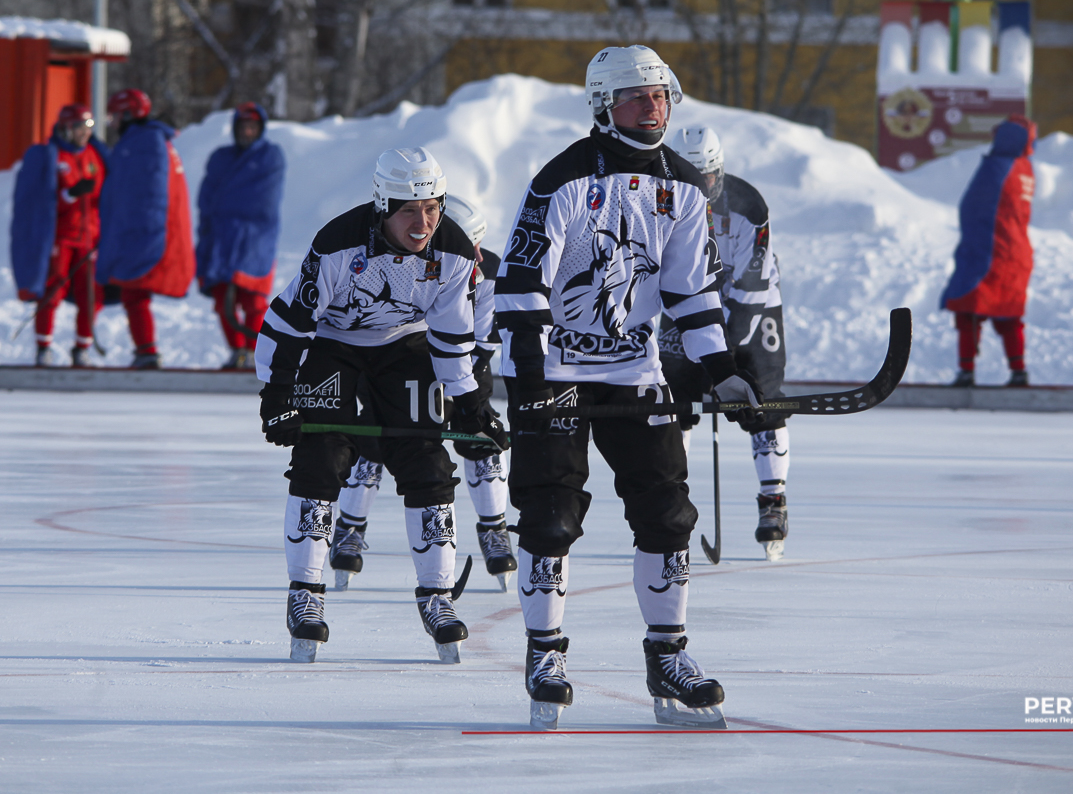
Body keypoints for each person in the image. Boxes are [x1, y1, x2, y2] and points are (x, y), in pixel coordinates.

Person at [494, 44, 763, 730]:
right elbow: (521, 283)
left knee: (667, 512)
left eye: (660, 94)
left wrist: (721, 370)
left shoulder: (684, 188)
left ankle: (667, 654)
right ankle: (545, 654)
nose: (653, 107)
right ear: (603, 106)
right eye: (637, 97)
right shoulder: (562, 179)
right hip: (555, 371)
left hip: (634, 371)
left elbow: (692, 292)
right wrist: (532, 380)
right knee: (551, 515)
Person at [254, 146, 506, 665]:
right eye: (409, 211)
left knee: (428, 463)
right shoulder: (337, 243)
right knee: (321, 459)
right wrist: (276, 394)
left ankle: (437, 596)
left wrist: (470, 401)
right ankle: (305, 592)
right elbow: (288, 322)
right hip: (333, 345)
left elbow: (452, 337)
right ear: (382, 207)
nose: (423, 224)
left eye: (432, 209)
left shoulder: (454, 251)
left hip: (404, 345)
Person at [326, 195, 519, 594]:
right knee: (377, 436)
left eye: (478, 245)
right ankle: (350, 527)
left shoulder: (489, 273)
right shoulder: (407, 263)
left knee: (481, 434)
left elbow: (482, 341)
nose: (475, 256)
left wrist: (459, 389)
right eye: (468, 245)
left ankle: (494, 527)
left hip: (462, 363)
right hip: (395, 359)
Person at [663, 126, 792, 561]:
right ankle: (670, 495)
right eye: (690, 178)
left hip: (750, 305)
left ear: (719, 171)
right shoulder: (659, 200)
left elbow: (752, 288)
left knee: (762, 394)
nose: (702, 188)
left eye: (709, 178)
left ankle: (773, 499)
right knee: (673, 398)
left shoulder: (749, 207)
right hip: (684, 306)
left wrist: (724, 357)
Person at [96, 88, 196, 369]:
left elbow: (147, 195)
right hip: (139, 231)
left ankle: (147, 351)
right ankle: (145, 350)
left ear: (129, 114)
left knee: (133, 292)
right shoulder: (147, 140)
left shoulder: (144, 141)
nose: (113, 123)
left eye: (115, 116)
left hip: (142, 234)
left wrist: (135, 233)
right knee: (132, 293)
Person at [940, 116, 1037, 387]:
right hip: (1017, 253)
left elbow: (973, 209)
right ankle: (1019, 371)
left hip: (990, 253)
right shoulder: (1025, 168)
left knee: (968, 309)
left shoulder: (997, 167)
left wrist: (969, 249)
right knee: (1009, 315)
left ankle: (966, 371)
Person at [10, 104, 109, 367]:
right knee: (53, 290)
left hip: (90, 238)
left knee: (91, 294)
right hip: (61, 237)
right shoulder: (53, 157)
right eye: (79, 127)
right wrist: (70, 195)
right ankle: (44, 347)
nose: (84, 132)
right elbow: (41, 201)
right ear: (66, 129)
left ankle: (82, 348)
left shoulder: (95, 156)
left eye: (89, 126)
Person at [197, 102, 286, 370]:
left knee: (253, 299)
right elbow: (206, 198)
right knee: (222, 298)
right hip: (220, 239)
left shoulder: (270, 156)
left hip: (255, 239)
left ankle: (256, 353)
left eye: (252, 127)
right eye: (243, 127)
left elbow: (261, 202)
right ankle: (238, 351)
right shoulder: (220, 158)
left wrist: (225, 210)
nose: (247, 132)